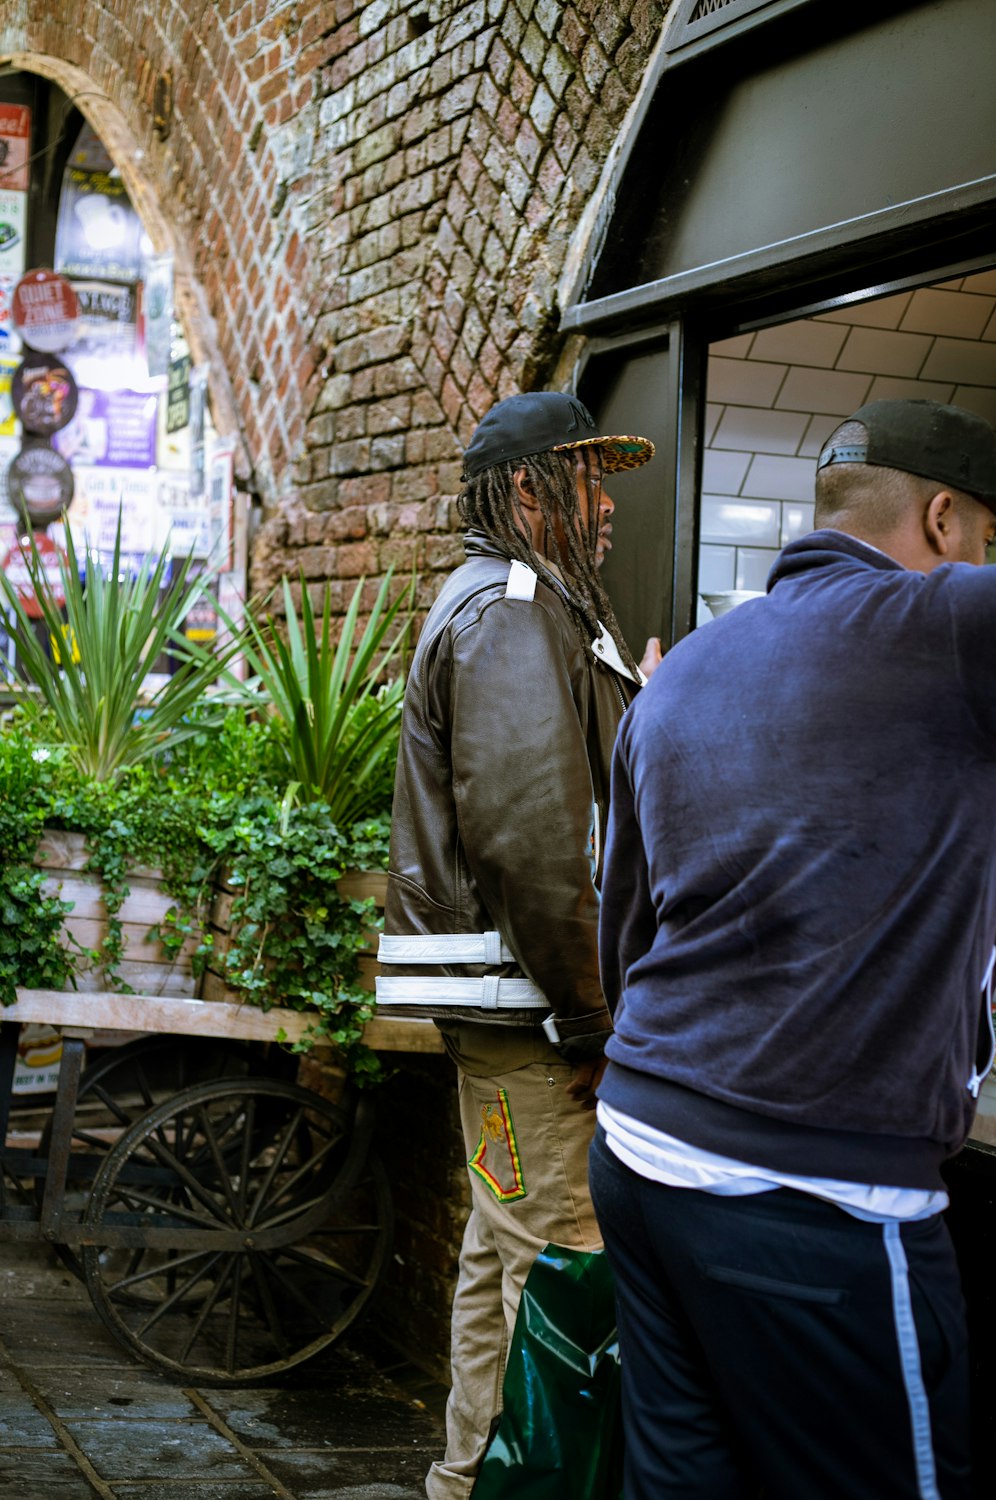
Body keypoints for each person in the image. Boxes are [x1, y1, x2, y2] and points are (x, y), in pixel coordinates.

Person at [590, 398, 996, 1500]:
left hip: (640, 1139)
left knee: (687, 1484)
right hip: (807, 1187)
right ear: (948, 520)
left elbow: (621, 932)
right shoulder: (950, 622)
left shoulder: (676, 673)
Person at [374, 389, 657, 1499]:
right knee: (558, 1273)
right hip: (536, 1022)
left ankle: (463, 1482)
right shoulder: (512, 608)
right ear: (529, 490)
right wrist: (591, 1021)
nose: (605, 508)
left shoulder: (509, 604)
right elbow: (534, 839)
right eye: (588, 481)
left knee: (505, 1264)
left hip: (504, 1018)